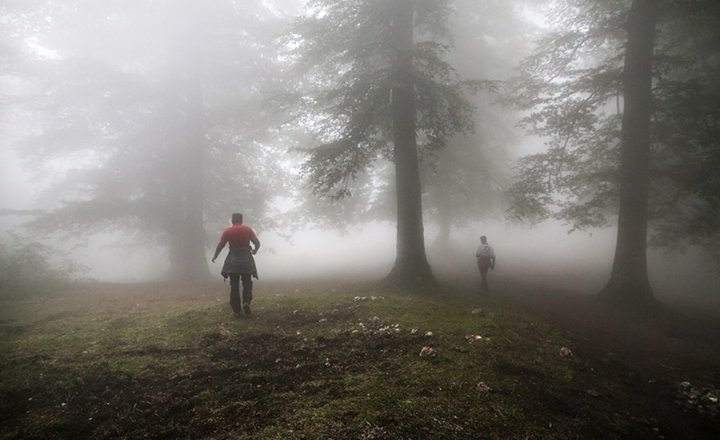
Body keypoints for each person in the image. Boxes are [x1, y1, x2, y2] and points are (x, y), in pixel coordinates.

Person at [212, 213, 260, 316]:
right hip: (247, 260)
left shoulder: (228, 231)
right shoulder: (248, 230)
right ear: (241, 220)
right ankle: (246, 302)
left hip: (233, 261)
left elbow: (221, 245)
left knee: (234, 286)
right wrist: (255, 250)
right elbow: (257, 243)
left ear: (232, 220)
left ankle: (236, 310)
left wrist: (215, 255)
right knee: (247, 283)